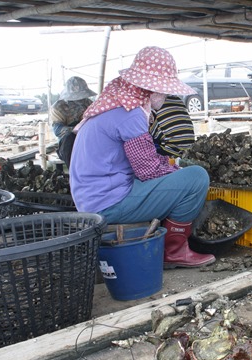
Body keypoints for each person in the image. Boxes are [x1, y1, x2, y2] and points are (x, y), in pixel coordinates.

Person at [69, 46, 215, 268]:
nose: (165, 96)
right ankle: (174, 250)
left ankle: (169, 244)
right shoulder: (131, 114)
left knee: (179, 173)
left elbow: (142, 162)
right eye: (164, 91)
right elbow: (149, 171)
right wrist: (178, 171)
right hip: (108, 203)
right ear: (151, 90)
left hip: (92, 198)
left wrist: (169, 167)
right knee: (197, 177)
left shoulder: (115, 104)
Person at [50, 76, 96, 168]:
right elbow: (57, 130)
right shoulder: (58, 107)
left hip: (88, 138)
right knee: (69, 139)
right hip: (69, 142)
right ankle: (74, 173)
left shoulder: (89, 103)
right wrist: (76, 129)